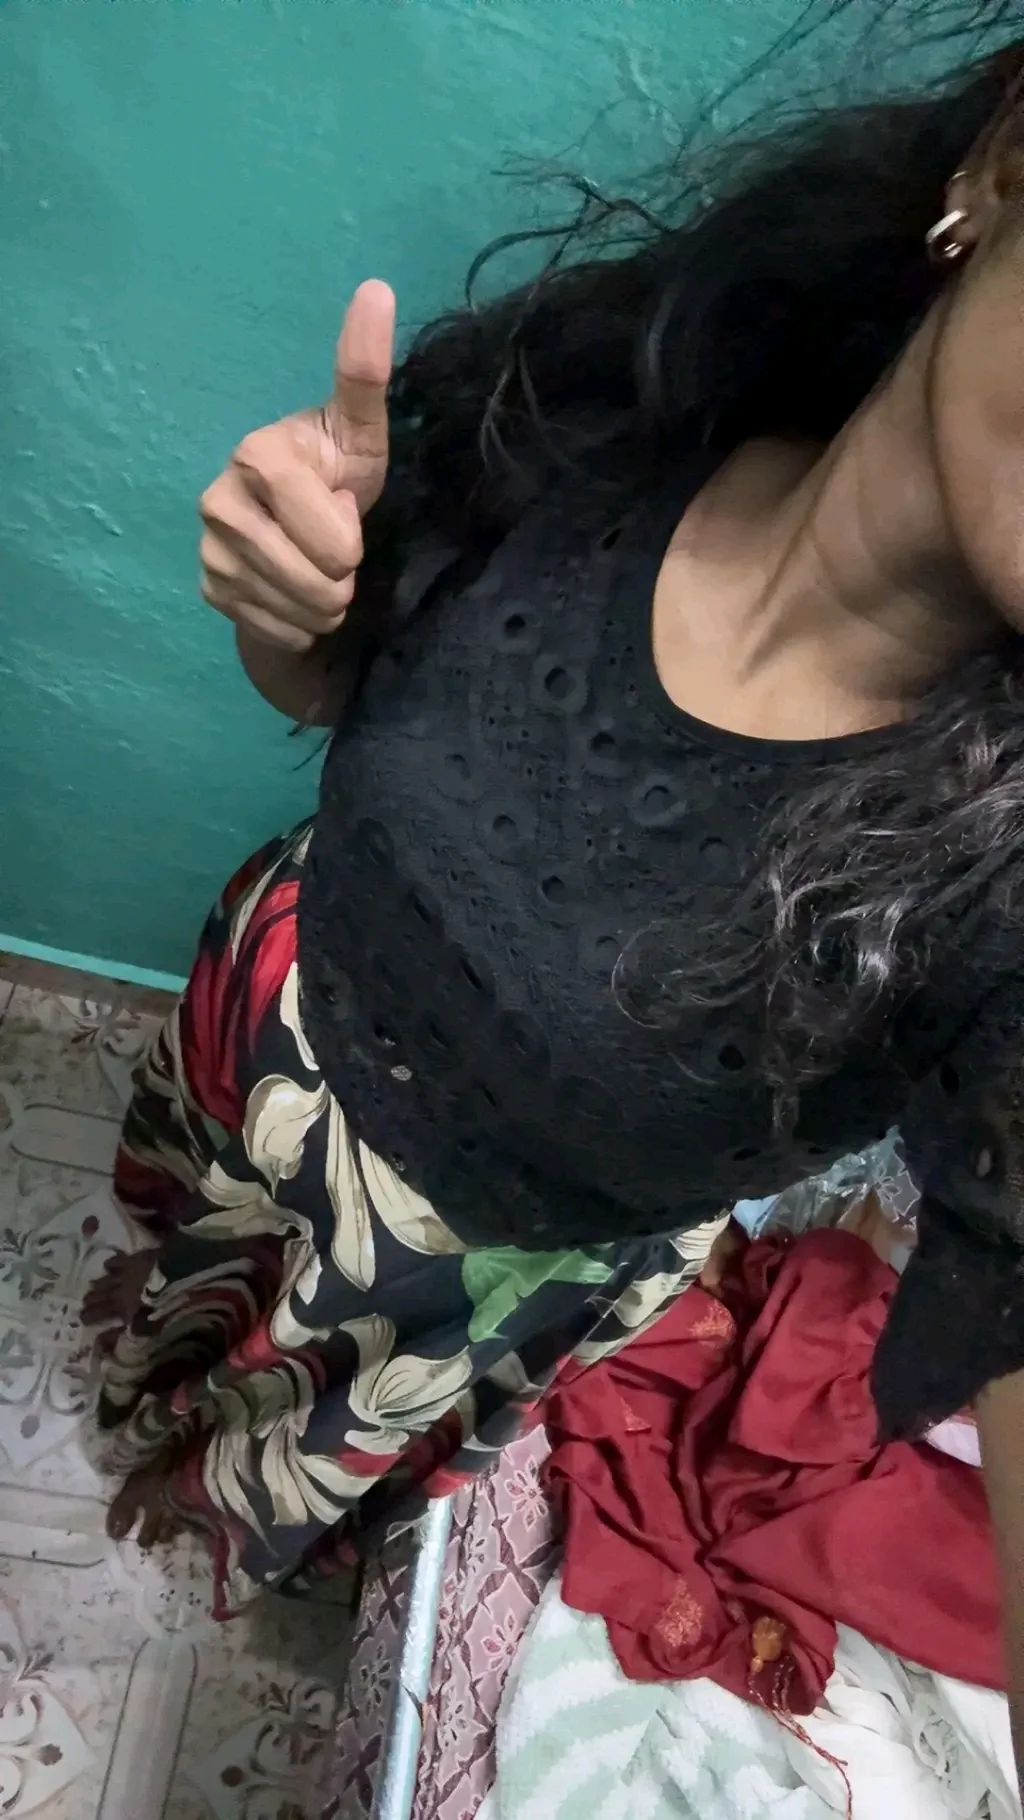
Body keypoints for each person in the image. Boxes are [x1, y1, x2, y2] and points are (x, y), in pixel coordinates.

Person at [85, 34, 1024, 1678]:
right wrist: (283, 611)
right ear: (1001, 170)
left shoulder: (995, 887)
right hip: (266, 1016)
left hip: (441, 1290)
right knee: (169, 1281)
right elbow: (339, 696)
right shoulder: (634, 393)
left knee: (247, 1461)